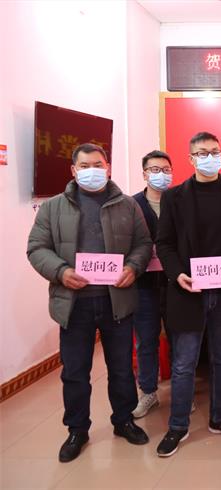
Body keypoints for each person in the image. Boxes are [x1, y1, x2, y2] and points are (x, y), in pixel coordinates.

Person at [27, 143, 152, 462]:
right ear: (73, 170)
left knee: (121, 368)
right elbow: (37, 248)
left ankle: (123, 420)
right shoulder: (53, 207)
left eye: (98, 165)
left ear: (108, 168)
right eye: (84, 166)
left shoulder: (127, 205)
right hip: (73, 304)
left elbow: (143, 244)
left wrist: (133, 267)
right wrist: (61, 271)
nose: (92, 171)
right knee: (75, 371)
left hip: (116, 301)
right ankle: (77, 430)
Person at [155, 131, 221, 457]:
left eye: (213, 151)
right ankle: (178, 425)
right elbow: (164, 242)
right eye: (201, 153)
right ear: (191, 158)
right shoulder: (174, 197)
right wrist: (176, 273)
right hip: (189, 290)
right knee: (184, 363)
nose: (209, 157)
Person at [131, 150, 173, 418]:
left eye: (166, 170)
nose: (161, 175)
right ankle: (148, 392)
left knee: (180, 339)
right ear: (145, 174)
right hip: (144, 284)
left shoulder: (178, 201)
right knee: (146, 340)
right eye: (155, 170)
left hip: (176, 283)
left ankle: (182, 391)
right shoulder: (131, 205)